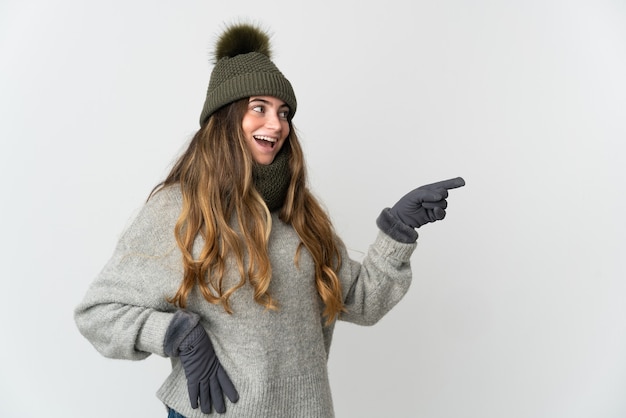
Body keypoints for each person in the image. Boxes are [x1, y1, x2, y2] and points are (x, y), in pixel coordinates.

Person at [74, 22, 465, 418]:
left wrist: (398, 229)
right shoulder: (182, 208)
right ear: (226, 117)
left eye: (283, 112)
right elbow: (98, 313)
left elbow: (360, 303)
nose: (276, 124)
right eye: (258, 108)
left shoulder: (301, 212)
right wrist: (178, 335)